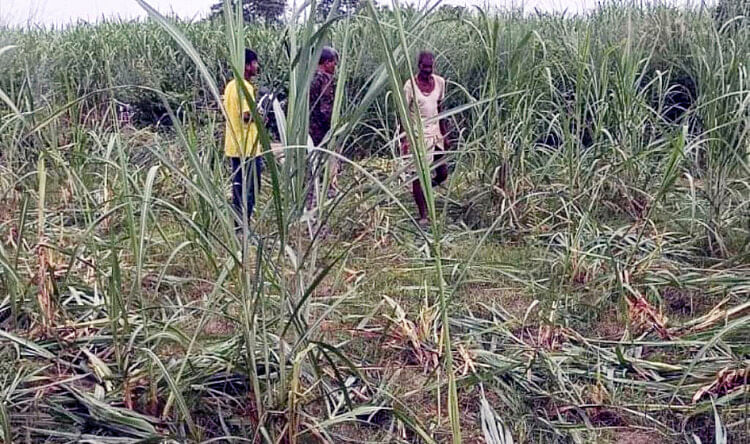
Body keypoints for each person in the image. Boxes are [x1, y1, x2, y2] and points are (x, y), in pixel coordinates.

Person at [401, 51, 451, 227]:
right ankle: (423, 214)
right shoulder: (410, 86)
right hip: (418, 135)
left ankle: (423, 190)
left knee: (443, 172)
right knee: (418, 175)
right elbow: (404, 114)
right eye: (424, 67)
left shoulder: (439, 82)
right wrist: (404, 139)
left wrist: (445, 134)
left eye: (431, 67)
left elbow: (440, 108)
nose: (428, 71)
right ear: (419, 66)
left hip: (436, 133)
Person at [223, 49, 262, 230]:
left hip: (234, 145)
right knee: (251, 188)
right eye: (255, 63)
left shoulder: (230, 85)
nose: (257, 67)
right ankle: (243, 227)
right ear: (247, 66)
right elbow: (246, 115)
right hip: (248, 146)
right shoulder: (245, 87)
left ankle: (238, 225)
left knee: (238, 187)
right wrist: (261, 116)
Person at [309, 46, 339, 202]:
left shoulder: (308, 77)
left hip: (308, 130)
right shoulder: (325, 79)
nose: (335, 66)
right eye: (334, 63)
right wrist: (333, 129)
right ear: (327, 63)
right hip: (321, 130)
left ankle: (309, 194)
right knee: (330, 159)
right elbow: (325, 109)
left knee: (310, 162)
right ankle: (330, 190)